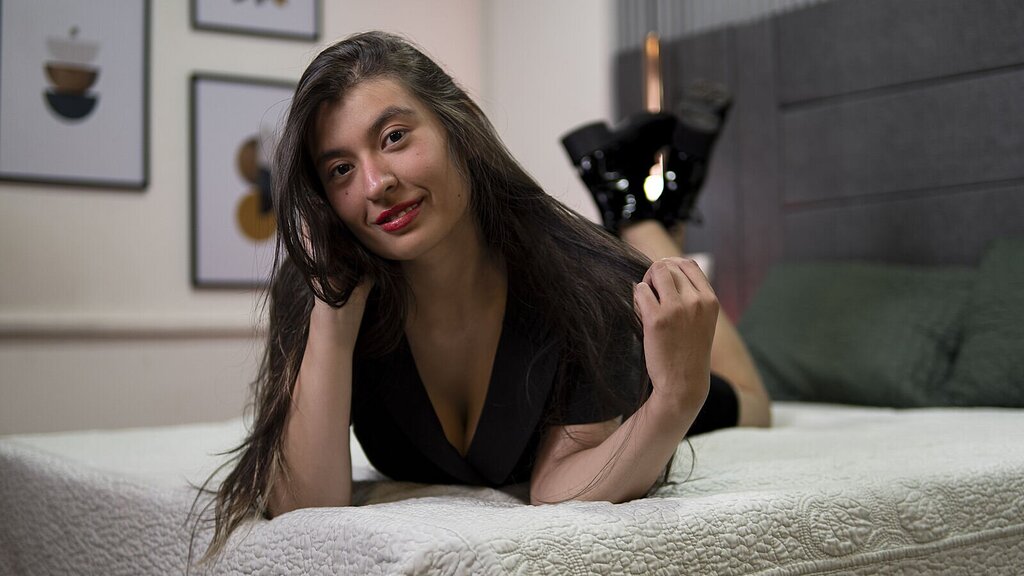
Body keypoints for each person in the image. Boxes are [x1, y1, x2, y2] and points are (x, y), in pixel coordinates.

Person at [199, 30, 770, 560]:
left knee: (754, 404)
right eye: (341, 169)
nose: (376, 184)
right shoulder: (319, 285)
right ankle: (627, 194)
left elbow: (558, 488)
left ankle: (635, 212)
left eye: (394, 137)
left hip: (623, 365)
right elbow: (304, 508)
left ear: (460, 125)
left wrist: (678, 395)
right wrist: (333, 317)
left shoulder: (582, 283)